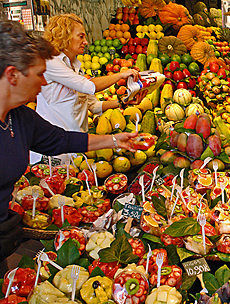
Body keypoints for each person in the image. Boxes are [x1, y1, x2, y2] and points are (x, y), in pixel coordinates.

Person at [0, 21, 138, 261]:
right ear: (12, 75)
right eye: (40, 74)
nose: (44, 83)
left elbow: (60, 140)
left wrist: (116, 140)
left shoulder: (20, 118)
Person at [31, 14, 144, 163]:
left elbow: (94, 106)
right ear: (64, 37)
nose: (85, 42)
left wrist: (124, 101)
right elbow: (89, 87)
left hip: (75, 146)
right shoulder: (51, 63)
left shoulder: (76, 67)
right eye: (81, 36)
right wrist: (121, 75)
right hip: (54, 152)